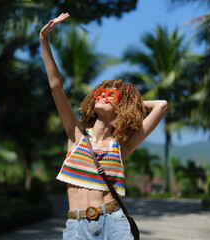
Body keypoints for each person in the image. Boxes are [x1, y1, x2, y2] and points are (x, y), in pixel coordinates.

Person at [40, 13, 168, 240]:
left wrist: (128, 102)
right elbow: (56, 87)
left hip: (113, 222)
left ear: (121, 107)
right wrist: (44, 39)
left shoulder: (122, 145)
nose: (103, 97)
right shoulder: (75, 134)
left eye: (111, 95)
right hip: (77, 225)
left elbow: (161, 105)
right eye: (100, 93)